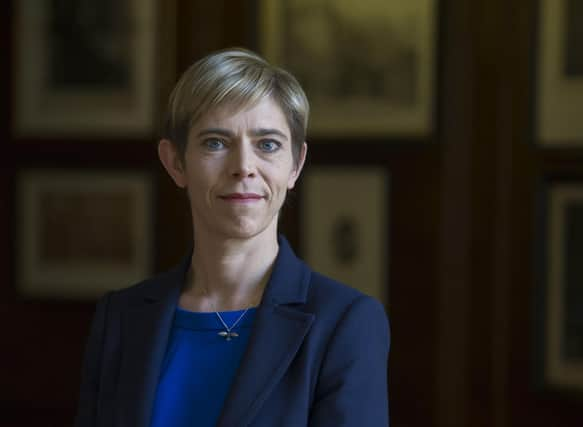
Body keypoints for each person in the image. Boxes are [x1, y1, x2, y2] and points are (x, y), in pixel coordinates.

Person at [74, 47, 390, 427]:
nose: (243, 167)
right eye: (216, 142)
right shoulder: (121, 318)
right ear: (175, 162)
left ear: (296, 165)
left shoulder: (345, 322)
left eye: (268, 144)